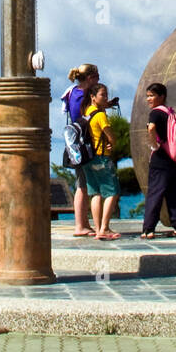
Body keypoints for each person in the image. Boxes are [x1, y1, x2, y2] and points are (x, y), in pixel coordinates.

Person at [141, 82, 176, 239]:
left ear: (162, 96)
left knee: (155, 192)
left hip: (161, 159)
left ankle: (149, 229)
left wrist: (154, 145)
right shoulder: (171, 113)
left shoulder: (156, 113)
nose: (149, 99)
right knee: (174, 193)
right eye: (147, 96)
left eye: (152, 96)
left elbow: (152, 128)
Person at [63, 64, 100, 237]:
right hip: (84, 143)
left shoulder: (72, 92)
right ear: (90, 78)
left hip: (75, 142)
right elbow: (84, 116)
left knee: (82, 184)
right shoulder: (83, 95)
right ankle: (80, 225)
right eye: (97, 77)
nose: (99, 81)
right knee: (83, 185)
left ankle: (83, 223)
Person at [81, 82, 120, 240]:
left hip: (87, 158)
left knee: (95, 193)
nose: (105, 98)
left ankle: (98, 229)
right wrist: (113, 142)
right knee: (112, 192)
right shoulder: (100, 115)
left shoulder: (87, 112)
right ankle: (104, 228)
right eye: (102, 95)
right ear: (93, 97)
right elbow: (110, 135)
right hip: (101, 156)